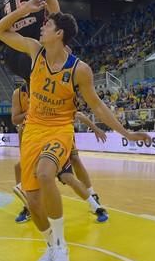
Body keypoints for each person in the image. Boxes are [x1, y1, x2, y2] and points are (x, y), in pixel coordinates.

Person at [0, 0, 150, 261]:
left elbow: (97, 105)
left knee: (45, 174)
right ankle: (50, 245)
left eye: (46, 24)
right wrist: (23, 10)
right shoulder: (34, 51)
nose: (41, 28)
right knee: (33, 200)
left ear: (59, 33)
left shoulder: (80, 69)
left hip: (59, 129)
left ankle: (62, 247)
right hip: (33, 131)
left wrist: (125, 132)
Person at [10, 84, 109, 224]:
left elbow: (77, 114)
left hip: (56, 137)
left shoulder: (49, 90)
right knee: (19, 167)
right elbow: (18, 125)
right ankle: (28, 205)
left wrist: (95, 128)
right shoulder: (22, 106)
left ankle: (94, 202)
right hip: (35, 143)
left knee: (71, 168)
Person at [0, 0, 60, 81]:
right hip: (37, 50)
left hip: (12, 56)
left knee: (31, 89)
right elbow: (56, 13)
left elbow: (2, 28)